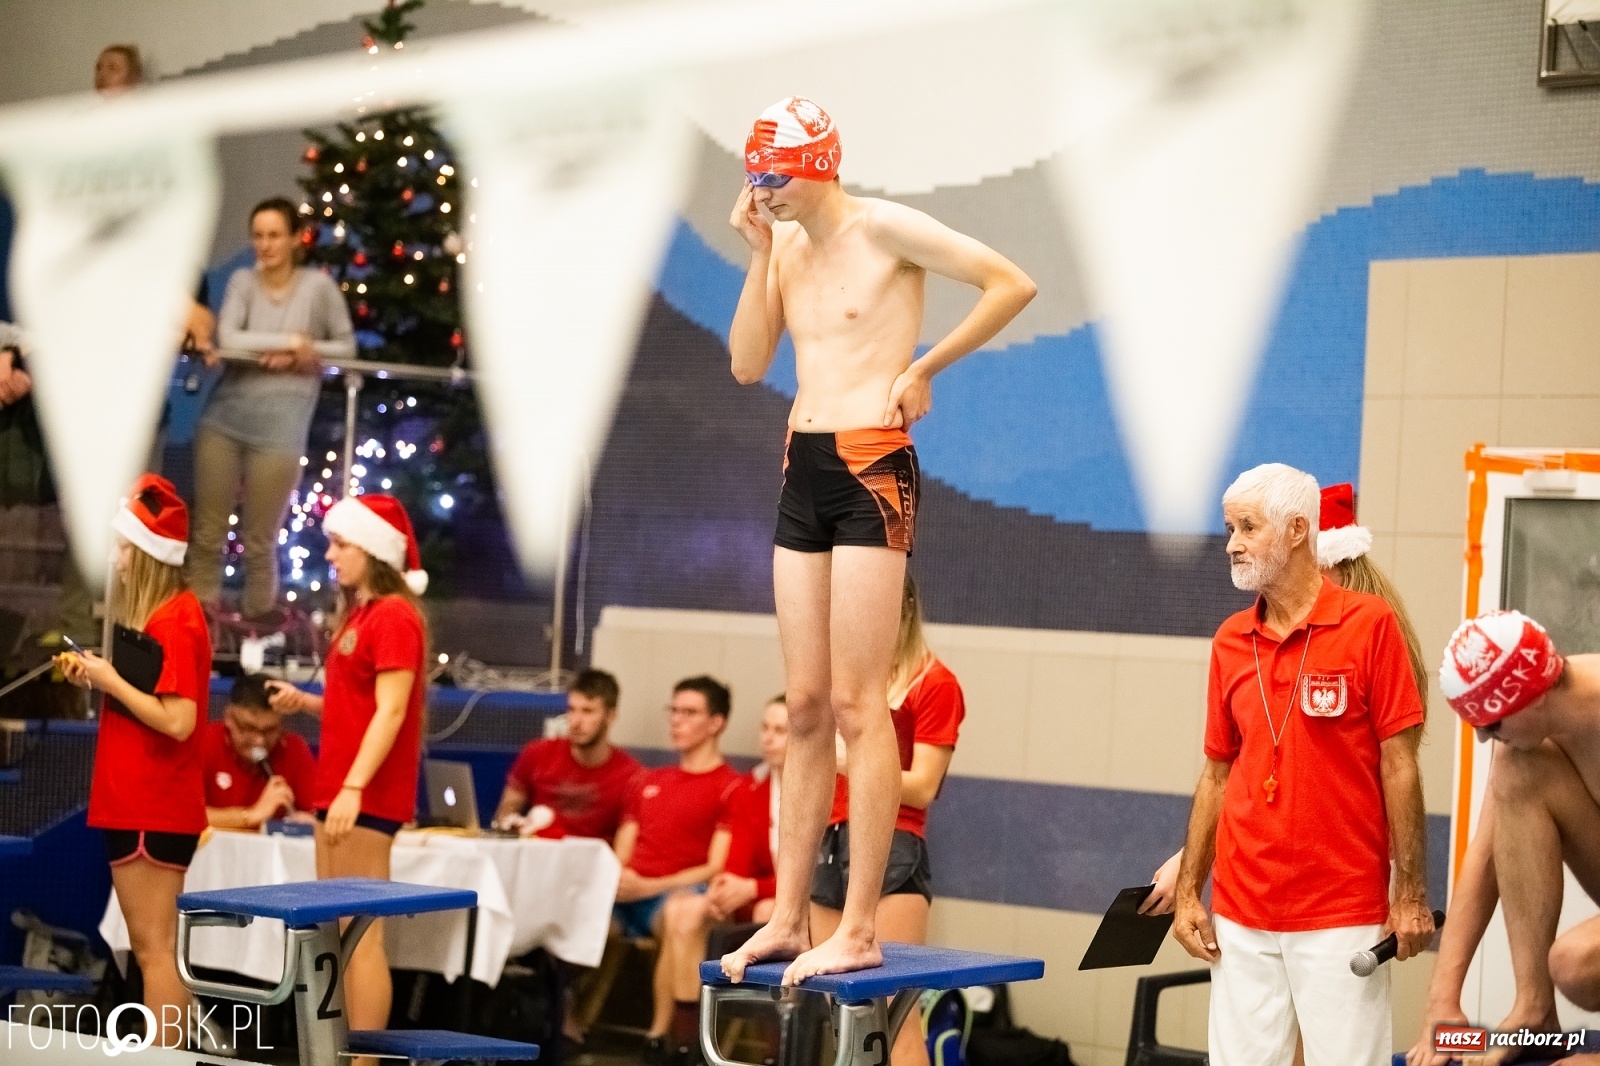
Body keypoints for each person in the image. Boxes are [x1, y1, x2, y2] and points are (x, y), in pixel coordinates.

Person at [721, 96, 1035, 985]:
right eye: (753, 177)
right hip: (802, 463)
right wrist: (755, 255)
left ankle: (857, 924)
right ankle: (789, 913)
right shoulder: (779, 241)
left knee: (864, 704)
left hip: (871, 464)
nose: (762, 193)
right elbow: (749, 364)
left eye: (773, 178)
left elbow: (1012, 281)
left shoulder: (886, 228)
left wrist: (924, 367)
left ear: (820, 163)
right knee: (808, 703)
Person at [1170, 463, 1433, 1066]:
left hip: (1342, 908)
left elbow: (1401, 767)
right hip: (1240, 910)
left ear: (1296, 530)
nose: (1232, 543)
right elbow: (1215, 775)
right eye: (1229, 527)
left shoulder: (1371, 626)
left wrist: (1411, 893)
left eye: (1247, 527)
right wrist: (1190, 891)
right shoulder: (1230, 640)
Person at [1144, 482, 1431, 912]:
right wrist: (1192, 864)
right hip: (1263, 894)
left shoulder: (1368, 631)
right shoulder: (1242, 639)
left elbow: (1323, 780)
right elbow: (1255, 772)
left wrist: (1409, 893)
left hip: (1340, 885)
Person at [264, 494, 428, 1061]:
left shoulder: (395, 617)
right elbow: (358, 703)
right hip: (338, 789)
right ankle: (337, 1052)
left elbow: (392, 710)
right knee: (333, 932)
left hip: (365, 794)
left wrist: (356, 787)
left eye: (341, 544)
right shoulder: (361, 615)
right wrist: (308, 704)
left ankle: (365, 1059)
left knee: (363, 934)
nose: (330, 554)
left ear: (374, 550)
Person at [57, 474, 210, 1048]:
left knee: (154, 952)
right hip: (138, 799)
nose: (116, 559)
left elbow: (179, 720)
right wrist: (102, 674)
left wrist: (108, 679)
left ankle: (164, 1058)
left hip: (151, 804)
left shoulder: (176, 618)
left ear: (146, 553)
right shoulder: (166, 616)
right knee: (155, 952)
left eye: (123, 547)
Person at [1416, 611, 1600, 1066]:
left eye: (1490, 725)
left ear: (1532, 698)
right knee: (1515, 768)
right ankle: (1534, 1010)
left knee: (1576, 963)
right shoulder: (1534, 725)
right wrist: (1443, 999)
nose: (1482, 739)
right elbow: (1485, 855)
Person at [812, 574, 963, 1066]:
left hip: (893, 843)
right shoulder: (846, 683)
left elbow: (923, 786)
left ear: (900, 607)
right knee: (841, 1014)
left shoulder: (934, 682)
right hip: (832, 841)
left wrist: (847, 760)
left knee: (897, 1015)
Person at [189, 197, 355, 623]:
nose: (265, 244)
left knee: (259, 540)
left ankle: (256, 631)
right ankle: (194, 624)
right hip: (224, 420)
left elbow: (347, 348)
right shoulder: (243, 281)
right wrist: (288, 346)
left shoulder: (318, 288)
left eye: (274, 235)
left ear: (296, 239)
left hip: (280, 432)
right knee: (208, 534)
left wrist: (309, 351)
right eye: (258, 235)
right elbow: (227, 337)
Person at [610, 676, 741, 1065]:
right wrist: (618, 881)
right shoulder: (648, 780)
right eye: (674, 711)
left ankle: (661, 1038)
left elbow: (715, 866)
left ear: (716, 723)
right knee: (565, 912)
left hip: (672, 895)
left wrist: (649, 886)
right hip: (626, 895)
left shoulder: (729, 786)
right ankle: (555, 1018)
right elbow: (622, 851)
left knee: (677, 913)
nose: (676, 721)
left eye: (689, 713)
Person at [653, 695, 789, 1061]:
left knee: (767, 910)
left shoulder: (828, 790)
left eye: (781, 730)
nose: (768, 738)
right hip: (753, 900)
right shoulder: (751, 790)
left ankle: (776, 1048)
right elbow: (737, 863)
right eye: (765, 728)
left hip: (799, 908)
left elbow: (819, 877)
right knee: (685, 909)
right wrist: (725, 887)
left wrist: (753, 888)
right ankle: (687, 1043)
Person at [491, 668, 641, 841]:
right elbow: (506, 811)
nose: (576, 722)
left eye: (587, 711)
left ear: (610, 716)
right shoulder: (537, 753)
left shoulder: (631, 774)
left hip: (593, 862)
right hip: (540, 853)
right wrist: (510, 824)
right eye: (572, 710)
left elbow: (629, 842)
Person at [200, 673, 316, 830]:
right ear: (229, 718)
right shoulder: (203, 743)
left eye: (270, 730)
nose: (259, 741)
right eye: (248, 728)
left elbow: (318, 815)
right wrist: (252, 815)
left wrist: (308, 822)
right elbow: (182, 815)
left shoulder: (295, 748)